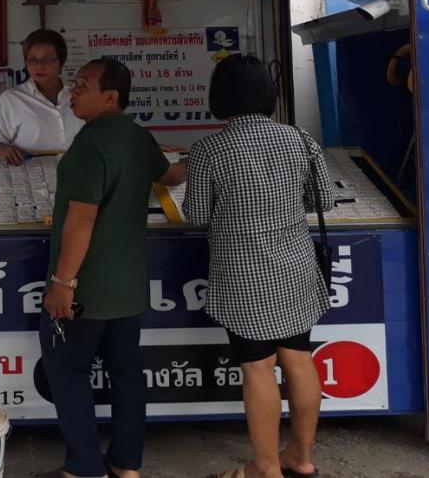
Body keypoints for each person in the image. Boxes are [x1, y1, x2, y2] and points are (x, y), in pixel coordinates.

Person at [182, 53, 334, 478]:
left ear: (220, 96)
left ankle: (265, 467)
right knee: (298, 359)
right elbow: (322, 200)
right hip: (295, 266)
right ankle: (300, 457)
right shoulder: (301, 139)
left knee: (258, 366)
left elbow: (197, 213)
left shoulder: (210, 149)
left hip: (242, 272)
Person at [40, 57, 185, 478]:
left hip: (86, 290)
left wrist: (63, 283)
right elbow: (172, 176)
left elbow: (82, 220)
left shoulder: (90, 145)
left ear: (110, 96)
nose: (72, 91)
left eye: (83, 85)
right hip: (127, 288)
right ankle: (126, 464)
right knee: (126, 375)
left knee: (68, 372)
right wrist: (204, 155)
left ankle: (84, 467)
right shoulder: (139, 137)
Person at [0, 28, 84, 165]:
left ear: (61, 62)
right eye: (32, 59)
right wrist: (2, 148)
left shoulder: (79, 93)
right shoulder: (12, 98)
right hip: (31, 175)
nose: (39, 66)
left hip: (80, 172)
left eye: (47, 59)